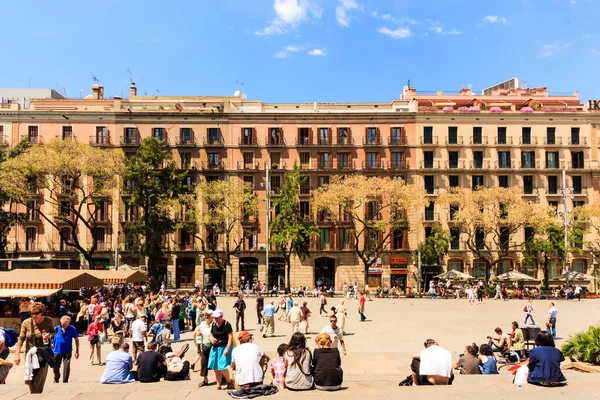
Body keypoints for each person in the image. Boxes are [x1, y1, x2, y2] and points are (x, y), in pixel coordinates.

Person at [14, 302, 55, 394]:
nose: (34, 315)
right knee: (30, 376)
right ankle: (34, 391)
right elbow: (21, 338)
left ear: (42, 312)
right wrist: (17, 354)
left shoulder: (48, 321)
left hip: (44, 352)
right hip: (30, 353)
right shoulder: (26, 322)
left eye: (36, 313)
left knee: (40, 376)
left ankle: (35, 394)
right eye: (32, 313)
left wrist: (50, 335)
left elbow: (53, 332)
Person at [207, 309, 234, 390]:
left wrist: (227, 349)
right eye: (214, 317)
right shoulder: (214, 323)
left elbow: (230, 338)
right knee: (215, 367)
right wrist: (211, 338)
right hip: (215, 348)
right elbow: (211, 334)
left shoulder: (226, 324)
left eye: (217, 317)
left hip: (223, 347)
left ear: (222, 316)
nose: (215, 319)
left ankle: (229, 381)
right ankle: (218, 384)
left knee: (222, 366)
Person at [52, 316, 79, 384]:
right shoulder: (56, 329)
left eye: (65, 324)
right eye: (62, 324)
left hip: (67, 350)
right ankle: (56, 378)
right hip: (56, 350)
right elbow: (50, 337)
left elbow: (76, 339)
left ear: (68, 323)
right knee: (55, 366)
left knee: (66, 366)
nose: (63, 325)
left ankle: (65, 380)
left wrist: (77, 351)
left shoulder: (72, 329)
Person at [192, 309, 214, 387]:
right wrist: (198, 333)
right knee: (204, 363)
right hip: (204, 346)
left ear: (212, 316)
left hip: (213, 346)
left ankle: (223, 377)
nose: (206, 316)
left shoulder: (214, 324)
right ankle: (205, 380)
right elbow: (197, 333)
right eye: (205, 315)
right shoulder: (202, 324)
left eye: (208, 315)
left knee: (216, 363)